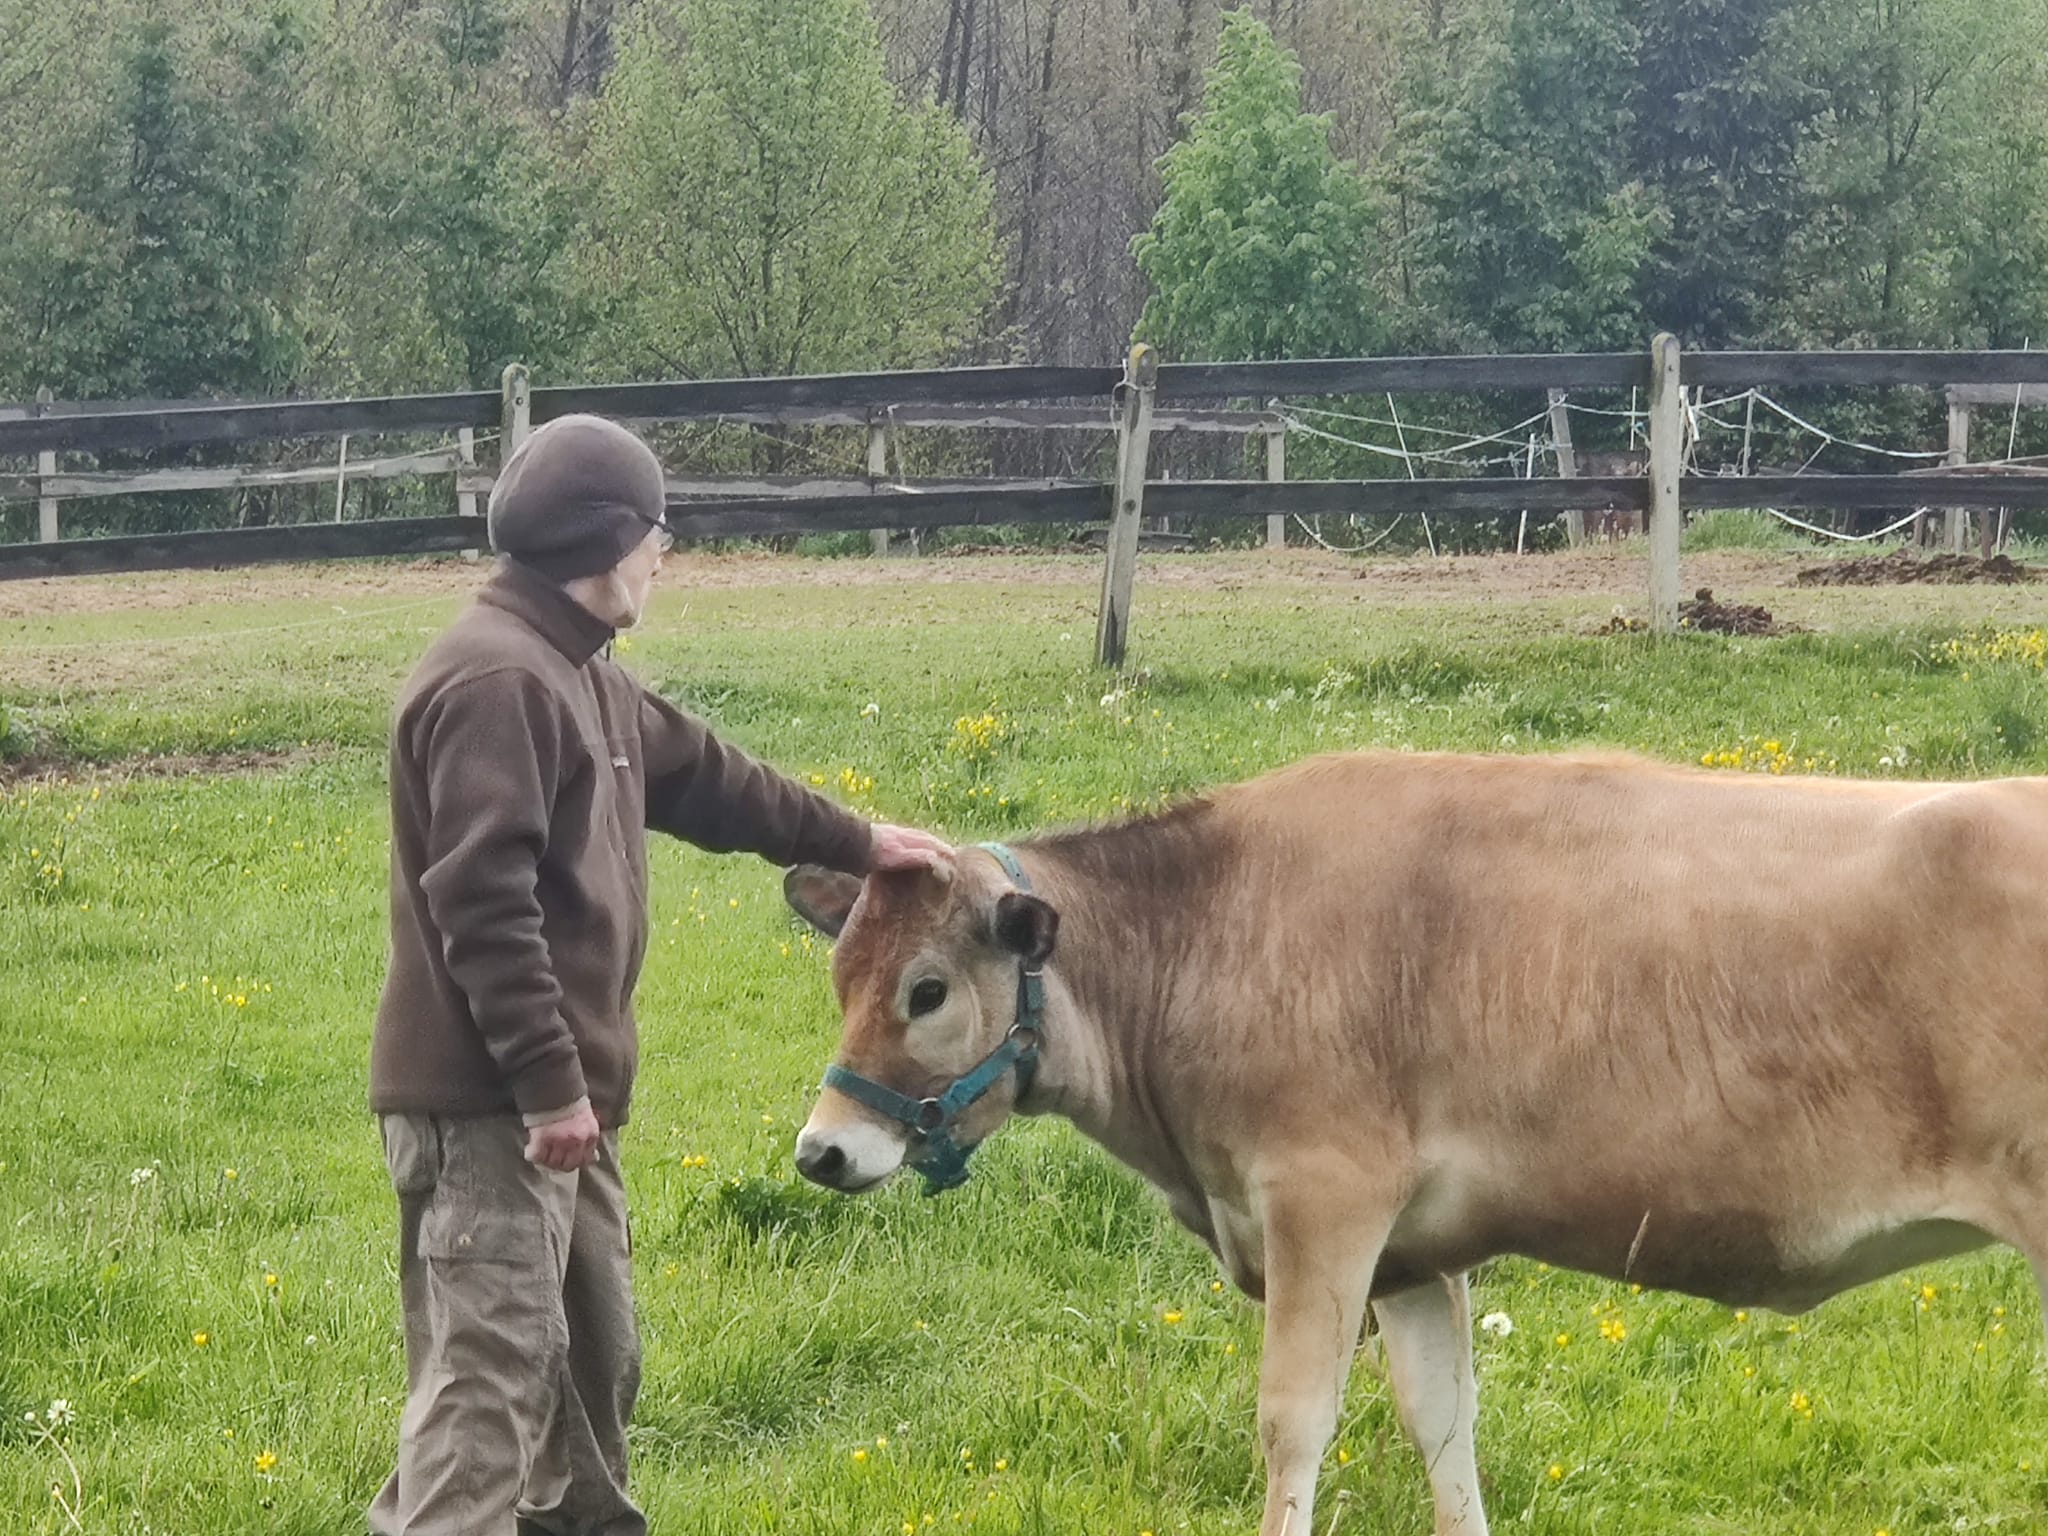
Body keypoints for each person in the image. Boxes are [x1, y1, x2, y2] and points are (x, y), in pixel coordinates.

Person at [367, 414, 947, 1535]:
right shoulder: (500, 684)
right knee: (481, 1409)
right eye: (653, 529)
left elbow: (715, 782)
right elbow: (480, 906)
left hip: (556, 1109)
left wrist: (856, 840)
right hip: (493, 1110)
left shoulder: (582, 675)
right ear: (603, 539)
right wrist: (547, 1086)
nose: (663, 553)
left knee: (591, 1382)